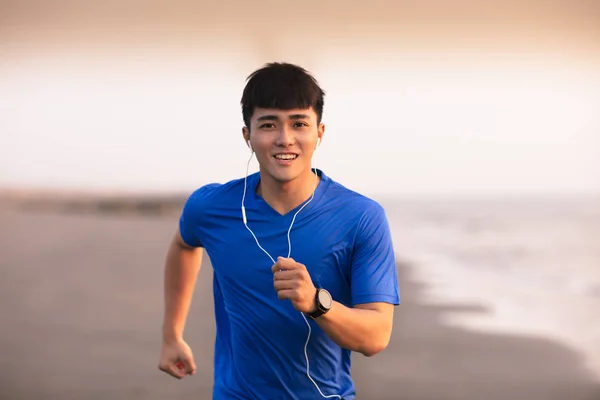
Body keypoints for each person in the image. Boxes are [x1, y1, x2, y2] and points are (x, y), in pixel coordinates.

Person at [158, 62, 400, 399]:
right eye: (269, 124)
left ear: (320, 132)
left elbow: (376, 337)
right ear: (248, 135)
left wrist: (316, 302)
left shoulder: (360, 217)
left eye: (299, 123)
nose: (285, 139)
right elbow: (184, 245)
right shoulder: (211, 207)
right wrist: (172, 335)